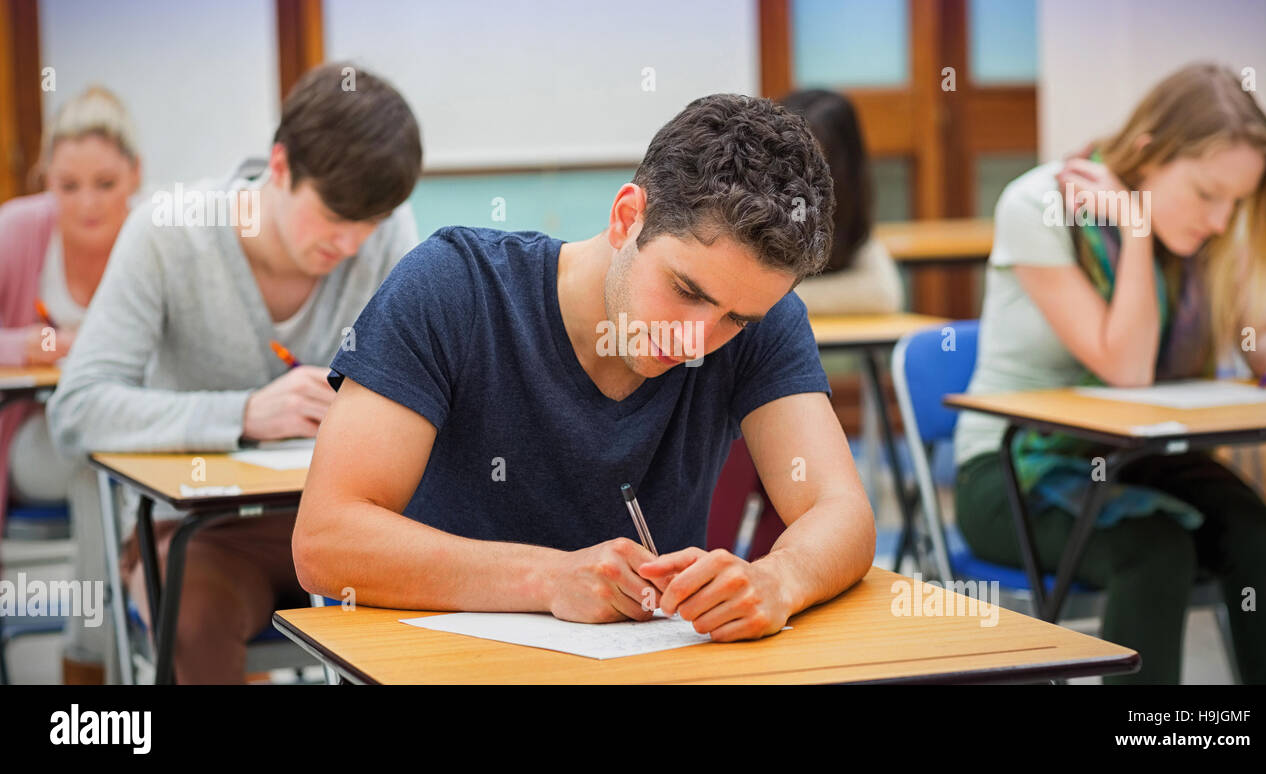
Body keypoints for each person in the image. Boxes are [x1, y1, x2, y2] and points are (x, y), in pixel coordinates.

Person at [293, 94, 876, 640]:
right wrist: (546, 579)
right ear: (628, 218)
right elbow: (326, 540)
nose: (697, 339)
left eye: (735, 320)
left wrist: (780, 578)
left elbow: (840, 511)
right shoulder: (453, 287)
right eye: (685, 290)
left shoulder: (764, 322)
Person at [46, 63, 423, 684]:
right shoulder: (169, 237)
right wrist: (242, 414)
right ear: (279, 167)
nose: (352, 244)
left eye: (371, 223)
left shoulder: (388, 235)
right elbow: (76, 410)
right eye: (334, 215)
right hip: (203, 537)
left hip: (349, 527)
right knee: (194, 617)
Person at [953, 62, 1266, 684]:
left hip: (1141, 459)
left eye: (1236, 202)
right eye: (1206, 194)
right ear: (1146, 154)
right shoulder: (1038, 206)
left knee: (1262, 540)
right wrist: (1136, 234)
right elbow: (1128, 369)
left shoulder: (1209, 239)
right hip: (1014, 472)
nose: (1221, 220)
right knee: (1155, 550)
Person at [0, 86, 141, 684]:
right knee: (95, 463)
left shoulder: (152, 238)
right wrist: (31, 344)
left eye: (106, 184)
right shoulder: (16, 230)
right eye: (68, 185)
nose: (87, 202)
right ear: (45, 179)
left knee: (121, 467)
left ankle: (160, 625)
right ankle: (88, 666)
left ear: (136, 176)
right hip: (34, 440)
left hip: (136, 427)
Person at [781, 89, 903, 315]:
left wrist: (770, 299)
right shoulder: (755, 206)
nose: (798, 173)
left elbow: (883, 294)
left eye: (815, 159)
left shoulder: (846, 216)